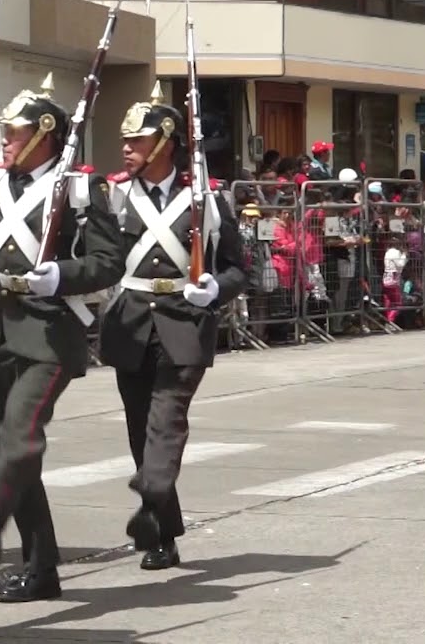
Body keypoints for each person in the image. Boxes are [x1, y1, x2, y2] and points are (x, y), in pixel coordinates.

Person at [0, 76, 122, 601]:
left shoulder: (78, 188)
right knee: (12, 450)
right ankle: (40, 566)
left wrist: (63, 274)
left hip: (48, 333)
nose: (6, 139)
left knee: (20, 437)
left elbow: (108, 262)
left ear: (45, 134)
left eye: (16, 132)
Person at [99, 83, 246, 570]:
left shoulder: (206, 197)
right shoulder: (114, 196)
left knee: (167, 421)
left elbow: (237, 267)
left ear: (164, 142)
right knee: (141, 430)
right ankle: (164, 531)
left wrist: (215, 290)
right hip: (130, 323)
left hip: (184, 322)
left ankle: (151, 495)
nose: (127, 149)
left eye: (136, 141)